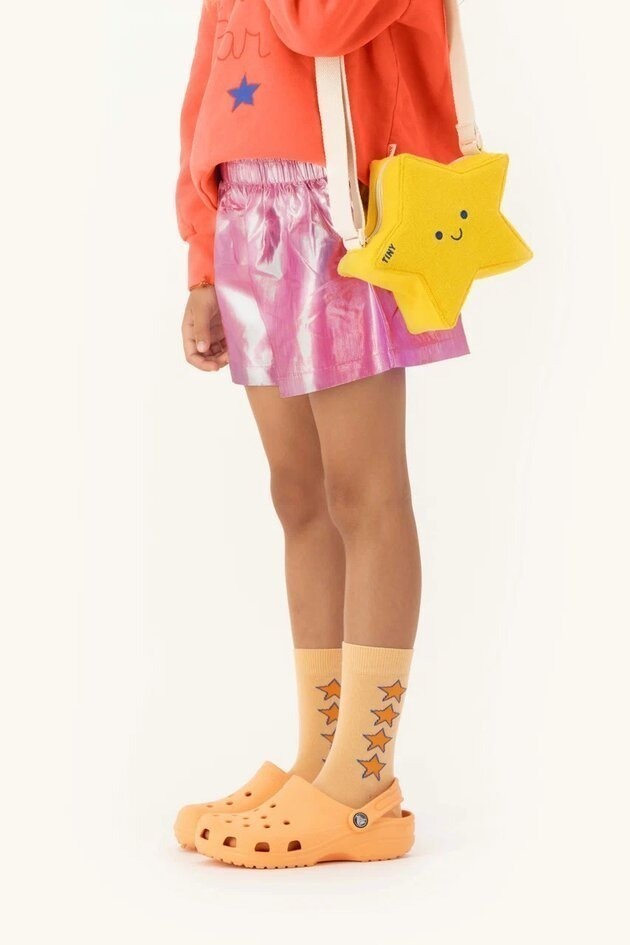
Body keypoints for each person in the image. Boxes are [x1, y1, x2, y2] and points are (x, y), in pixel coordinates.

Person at [174, 0, 469, 869]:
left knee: (363, 489)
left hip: (343, 210)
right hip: (248, 209)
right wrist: (203, 257)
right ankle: (322, 755)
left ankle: (365, 780)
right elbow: (206, 86)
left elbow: (323, 27)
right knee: (298, 494)